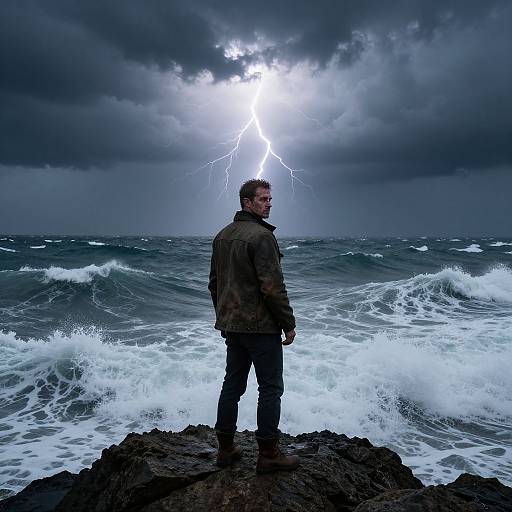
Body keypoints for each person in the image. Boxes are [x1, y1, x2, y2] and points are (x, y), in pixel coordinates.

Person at [208, 179, 300, 474]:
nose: (269, 203)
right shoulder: (262, 237)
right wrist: (288, 323)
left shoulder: (222, 236)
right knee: (270, 387)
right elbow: (272, 287)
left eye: (270, 199)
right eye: (263, 199)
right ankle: (268, 453)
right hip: (260, 328)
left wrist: (224, 317)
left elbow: (214, 284)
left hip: (233, 327)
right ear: (247, 203)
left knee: (232, 385)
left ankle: (225, 450)